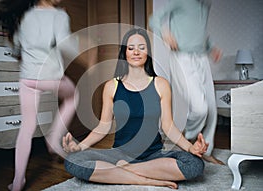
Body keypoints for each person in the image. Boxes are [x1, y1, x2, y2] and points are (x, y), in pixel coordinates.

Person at [62, 28, 208, 189]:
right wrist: (79, 146)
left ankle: (126, 170)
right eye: (131, 48)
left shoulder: (161, 84)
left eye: (142, 47)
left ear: (148, 53)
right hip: (119, 154)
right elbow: (103, 127)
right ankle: (142, 179)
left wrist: (190, 147)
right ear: (124, 52)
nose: (136, 52)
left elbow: (168, 126)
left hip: (153, 156)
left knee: (195, 165)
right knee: (72, 162)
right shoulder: (111, 86)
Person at [0, 0, 78, 190]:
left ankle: (17, 181)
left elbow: (15, 46)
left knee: (27, 127)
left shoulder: (23, 15)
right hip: (50, 77)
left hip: (27, 78)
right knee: (73, 96)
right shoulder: (59, 15)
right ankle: (53, 137)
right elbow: (67, 46)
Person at [149, 0, 224, 164]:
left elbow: (200, 33)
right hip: (182, 57)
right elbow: (153, 19)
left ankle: (206, 150)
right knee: (199, 108)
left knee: (211, 109)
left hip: (202, 58)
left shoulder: (205, 5)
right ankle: (185, 141)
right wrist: (165, 33)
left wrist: (211, 48)